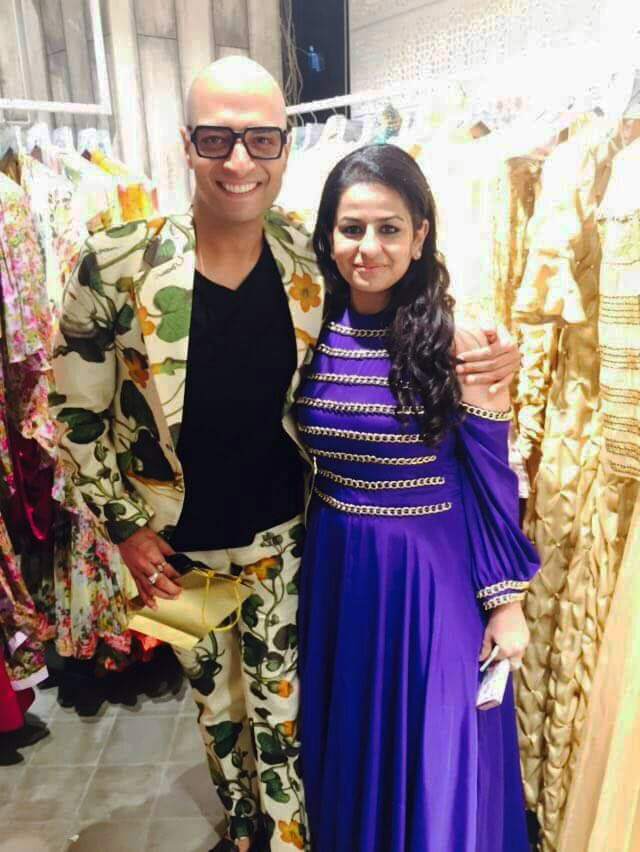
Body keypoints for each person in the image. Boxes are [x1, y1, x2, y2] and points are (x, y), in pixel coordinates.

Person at [51, 58, 521, 851]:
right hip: (172, 550)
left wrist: (484, 352)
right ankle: (244, 834)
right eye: (216, 138)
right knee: (216, 714)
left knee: (287, 721)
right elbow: (74, 407)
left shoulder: (307, 256)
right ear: (186, 144)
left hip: (289, 541)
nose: (239, 160)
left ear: (283, 146)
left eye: (260, 139)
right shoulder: (117, 258)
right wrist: (124, 527)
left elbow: (394, 299)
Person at [295, 144, 539, 852]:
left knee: (435, 754)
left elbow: (490, 477)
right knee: (351, 747)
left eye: (389, 228)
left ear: (421, 234)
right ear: (328, 236)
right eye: (351, 229)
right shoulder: (309, 331)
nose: (368, 247)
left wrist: (506, 601)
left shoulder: (462, 343)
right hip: (338, 572)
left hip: (431, 584)